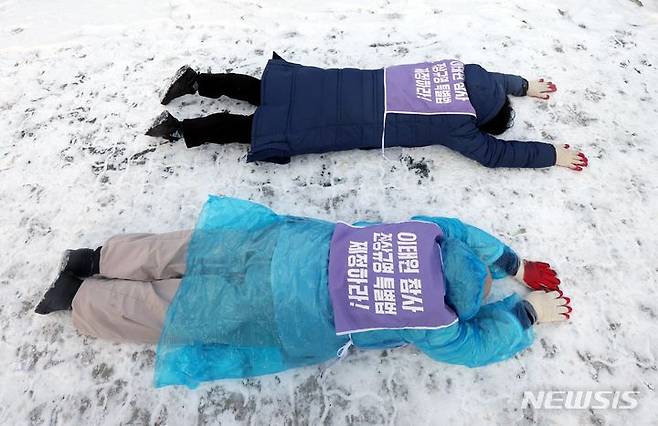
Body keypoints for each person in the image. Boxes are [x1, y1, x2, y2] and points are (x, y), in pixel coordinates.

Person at [35, 196, 571, 388]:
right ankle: (79, 300)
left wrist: (510, 262)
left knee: (194, 250)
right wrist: (523, 312)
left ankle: (98, 258)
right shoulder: (433, 317)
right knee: (181, 308)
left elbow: (464, 231)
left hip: (287, 246)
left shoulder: (428, 234)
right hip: (289, 309)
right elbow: (473, 348)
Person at [146, 53, 588, 170]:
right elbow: (495, 156)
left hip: (341, 83)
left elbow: (493, 77)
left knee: (267, 89)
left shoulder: (464, 70)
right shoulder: (459, 124)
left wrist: (523, 85)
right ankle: (182, 130)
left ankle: (198, 81)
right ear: (481, 120)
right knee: (262, 127)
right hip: (345, 123)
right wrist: (551, 155)